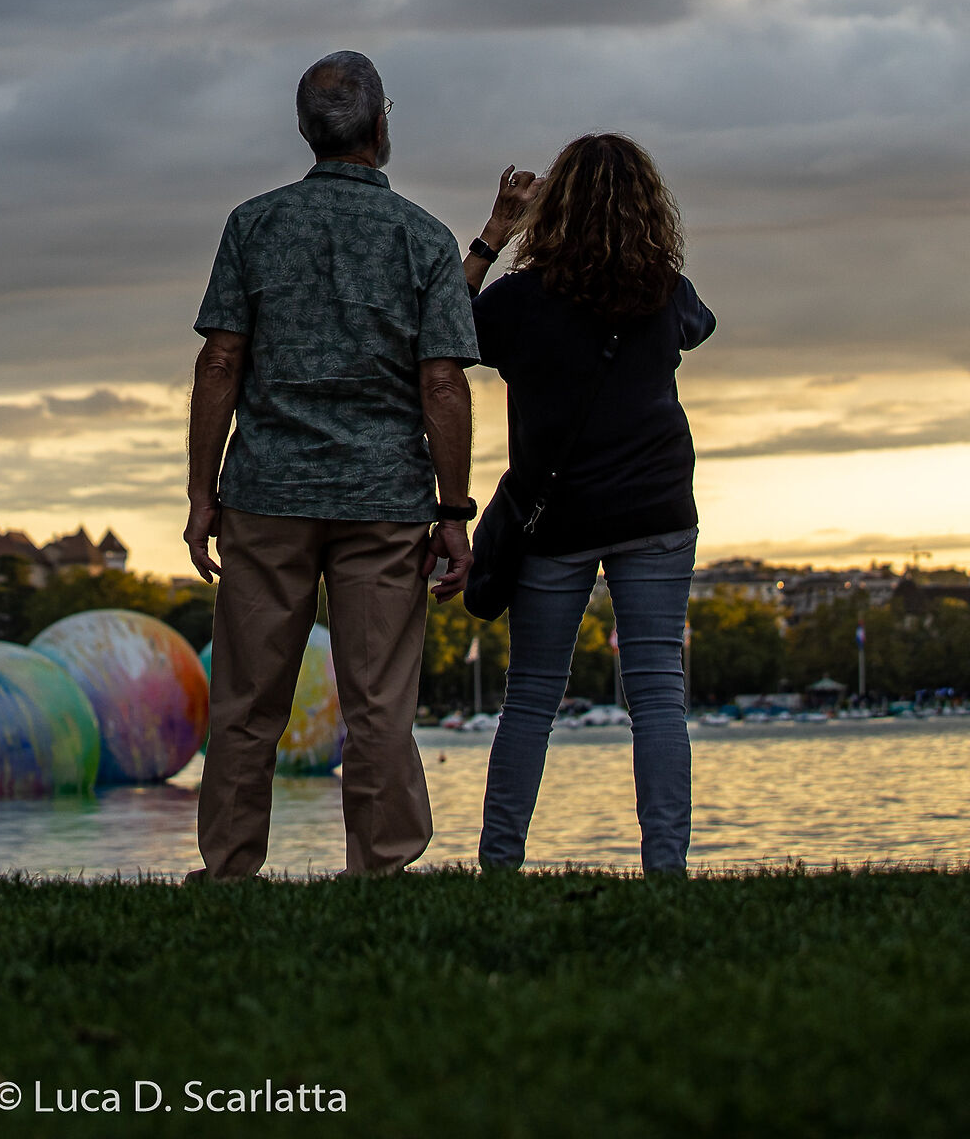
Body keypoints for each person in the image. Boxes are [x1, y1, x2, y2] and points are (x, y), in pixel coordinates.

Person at [185, 48, 535, 879]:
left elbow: (220, 364)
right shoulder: (420, 237)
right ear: (382, 129)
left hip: (265, 494)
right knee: (379, 700)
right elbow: (442, 380)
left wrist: (203, 495)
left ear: (306, 132)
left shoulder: (252, 225)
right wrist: (454, 513)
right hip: (384, 500)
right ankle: (380, 866)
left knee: (245, 701)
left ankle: (229, 869)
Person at [465, 131, 715, 875]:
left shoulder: (519, 302)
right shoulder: (665, 289)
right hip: (657, 509)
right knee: (659, 694)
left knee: (532, 698)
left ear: (556, 205)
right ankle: (666, 868)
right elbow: (695, 331)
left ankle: (499, 863)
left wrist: (493, 235)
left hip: (557, 516)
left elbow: (440, 328)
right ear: (648, 207)